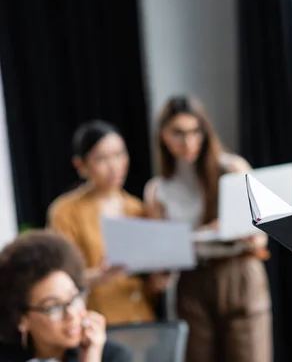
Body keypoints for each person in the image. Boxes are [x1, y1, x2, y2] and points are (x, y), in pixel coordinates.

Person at [144, 96, 272, 362]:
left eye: (195, 131)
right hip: (192, 279)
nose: (188, 142)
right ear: (163, 136)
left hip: (239, 272)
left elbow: (262, 240)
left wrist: (242, 231)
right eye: (178, 133)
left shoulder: (232, 168)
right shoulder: (159, 189)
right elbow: (162, 253)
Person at [47, 120, 170, 325]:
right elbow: (62, 278)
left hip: (141, 318)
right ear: (81, 165)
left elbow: (145, 281)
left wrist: (157, 282)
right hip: (95, 320)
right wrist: (102, 275)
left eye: (119, 155)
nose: (114, 166)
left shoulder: (137, 209)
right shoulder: (65, 211)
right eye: (102, 159)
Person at [0, 230, 132, 362]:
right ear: (21, 319)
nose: (72, 315)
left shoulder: (114, 356)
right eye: (53, 307)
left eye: (74, 298)